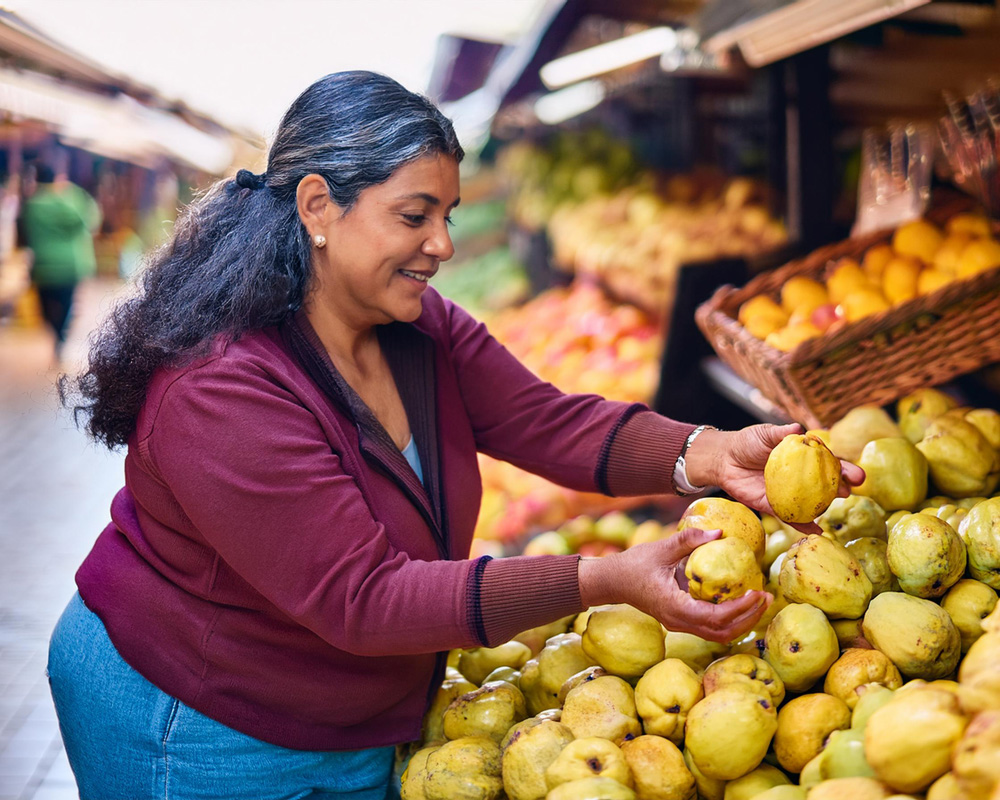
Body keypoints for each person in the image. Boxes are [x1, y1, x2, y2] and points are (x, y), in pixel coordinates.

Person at [50, 71, 863, 800]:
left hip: (355, 710)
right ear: (318, 207)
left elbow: (543, 420)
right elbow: (362, 597)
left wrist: (706, 452)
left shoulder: (414, 325)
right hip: (196, 722)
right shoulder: (221, 388)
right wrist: (600, 578)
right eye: (415, 215)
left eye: (448, 214)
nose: (441, 245)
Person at [20, 162, 102, 364]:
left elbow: (24, 234)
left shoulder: (31, 205)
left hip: (44, 267)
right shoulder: (71, 199)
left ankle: (56, 332)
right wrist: (70, 190)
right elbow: (90, 218)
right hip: (71, 265)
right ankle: (60, 337)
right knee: (66, 305)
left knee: (45, 307)